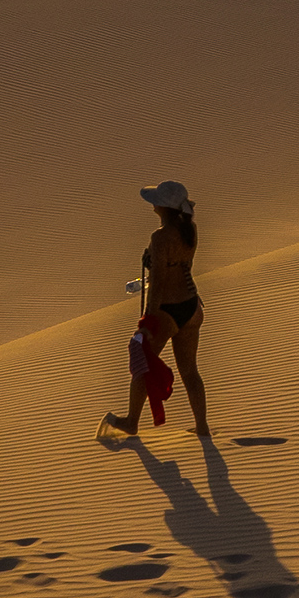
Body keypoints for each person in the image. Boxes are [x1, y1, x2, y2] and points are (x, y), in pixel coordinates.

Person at [105, 180, 211, 439]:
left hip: (167, 310)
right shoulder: (190, 229)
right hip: (191, 305)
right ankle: (202, 427)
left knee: (143, 364)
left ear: (163, 207)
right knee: (190, 371)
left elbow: (160, 282)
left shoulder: (160, 237)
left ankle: (131, 421)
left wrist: (148, 320)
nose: (152, 204)